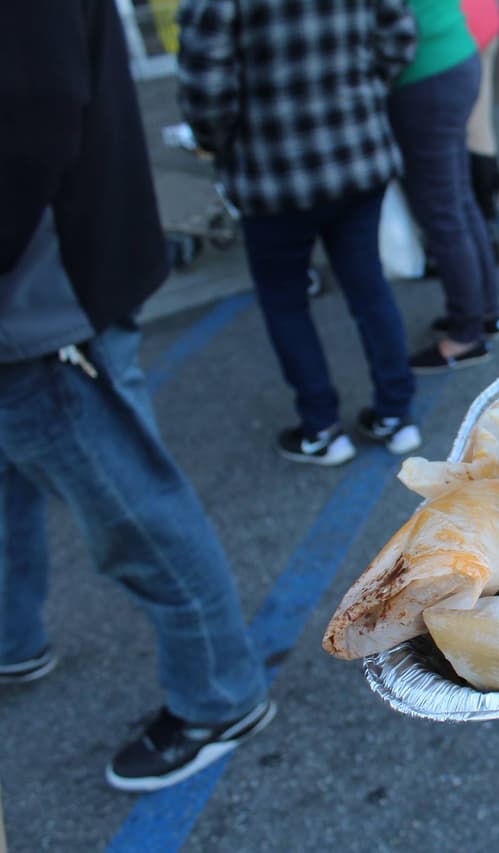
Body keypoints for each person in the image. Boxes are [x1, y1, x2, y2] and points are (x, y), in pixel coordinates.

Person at [0, 0, 274, 792]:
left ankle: (221, 693)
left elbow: (33, 114)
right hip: (50, 284)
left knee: (127, 498)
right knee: (25, 474)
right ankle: (13, 635)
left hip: (45, 295)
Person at [177, 0, 424, 465]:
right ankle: (396, 415)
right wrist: (356, 92)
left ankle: (322, 428)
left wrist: (218, 140)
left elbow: (205, 89)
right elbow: (399, 38)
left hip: (273, 170)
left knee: (286, 302)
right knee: (368, 287)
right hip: (356, 153)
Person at [389, 0, 499, 374]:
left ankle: (466, 335)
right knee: (459, 201)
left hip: (425, 73)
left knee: (443, 213)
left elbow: (390, 33)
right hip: (457, 53)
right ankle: (484, 313)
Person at [463, 0, 499, 268]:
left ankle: (483, 234)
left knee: (470, 134)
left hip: (462, 30)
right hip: (485, 17)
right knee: (481, 128)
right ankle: (488, 221)